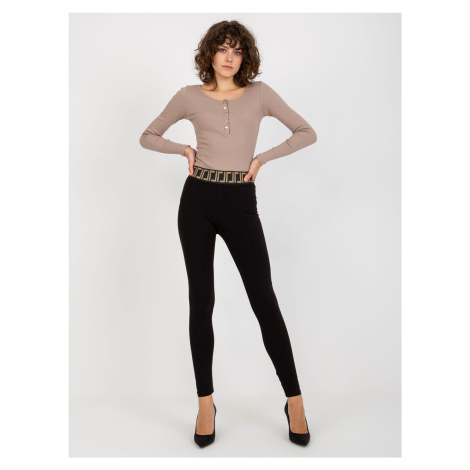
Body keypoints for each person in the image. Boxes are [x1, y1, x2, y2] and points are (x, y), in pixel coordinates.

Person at [139, 20, 317, 447]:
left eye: (237, 50)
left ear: (245, 57)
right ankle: (205, 403)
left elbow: (306, 132)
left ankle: (295, 401)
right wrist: (183, 148)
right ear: (210, 53)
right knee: (201, 302)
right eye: (222, 48)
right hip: (197, 201)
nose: (229, 57)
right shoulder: (188, 97)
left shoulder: (260, 94)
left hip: (239, 201)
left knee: (264, 300)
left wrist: (262, 159)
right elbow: (147, 136)